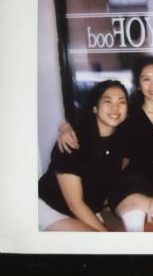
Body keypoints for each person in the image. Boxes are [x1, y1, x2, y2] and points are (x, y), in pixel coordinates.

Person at [57, 56, 153, 226]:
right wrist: (65, 127)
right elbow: (92, 119)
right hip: (131, 188)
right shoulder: (127, 119)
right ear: (138, 84)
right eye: (146, 79)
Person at [38, 80, 128, 231]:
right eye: (107, 101)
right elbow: (75, 204)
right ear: (95, 108)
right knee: (102, 246)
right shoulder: (73, 142)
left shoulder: (121, 140)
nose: (115, 107)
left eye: (122, 102)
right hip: (53, 208)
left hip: (89, 209)